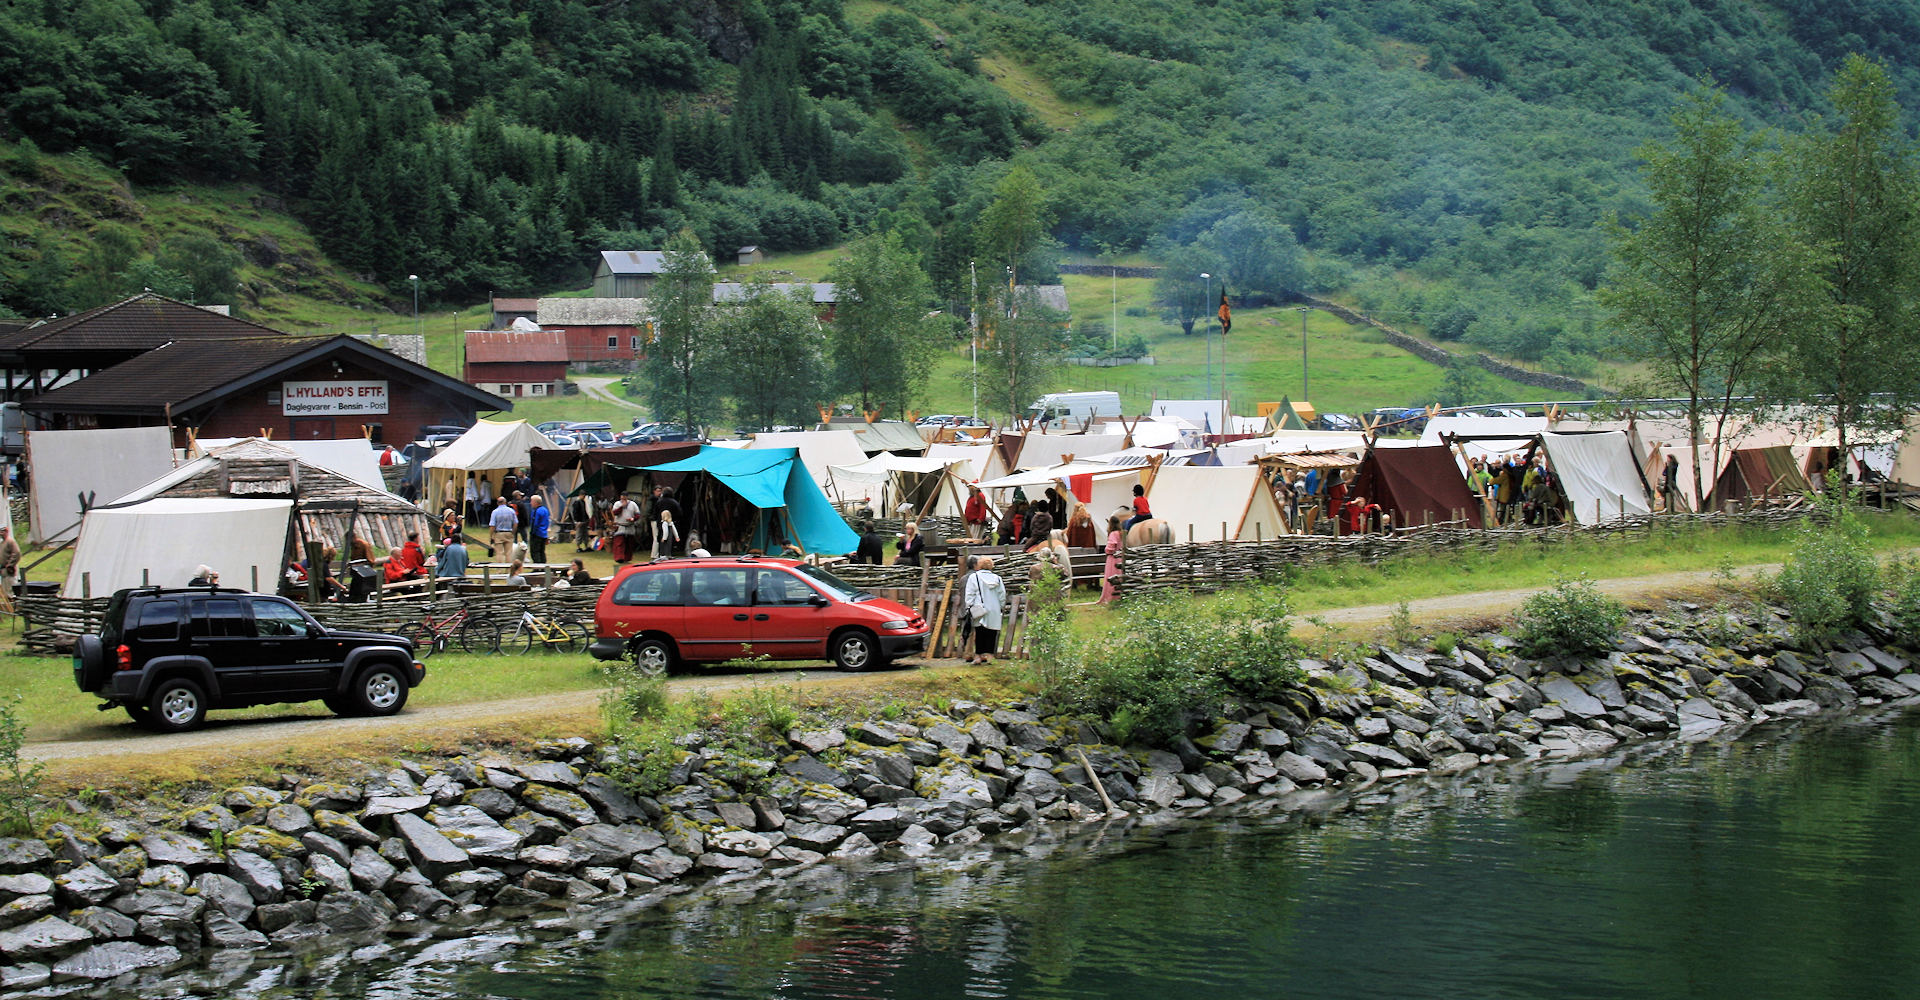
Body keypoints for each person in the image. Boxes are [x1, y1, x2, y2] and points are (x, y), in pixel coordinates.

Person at [962, 555, 1008, 665]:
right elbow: (1002, 595)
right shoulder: (997, 578)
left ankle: (978, 656)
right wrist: (1001, 606)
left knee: (980, 632)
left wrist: (969, 606)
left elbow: (970, 594)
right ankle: (990, 656)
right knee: (992, 632)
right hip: (994, 608)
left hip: (979, 608)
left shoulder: (974, 577)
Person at [651, 485, 685, 558]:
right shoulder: (674, 502)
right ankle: (668, 554)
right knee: (670, 540)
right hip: (671, 522)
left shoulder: (659, 502)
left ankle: (661, 554)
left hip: (660, 523)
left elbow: (655, 513)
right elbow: (680, 513)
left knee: (661, 539)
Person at [1100, 514, 1124, 605]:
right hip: (1120, 558)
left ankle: (1111, 596)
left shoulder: (1113, 534)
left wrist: (1106, 550)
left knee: (1111, 576)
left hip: (1113, 558)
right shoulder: (1121, 533)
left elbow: (1111, 546)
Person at [530, 496, 551, 564]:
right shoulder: (545, 509)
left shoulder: (536, 511)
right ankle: (543, 566)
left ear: (536, 502)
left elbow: (535, 523)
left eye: (531, 501)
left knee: (535, 552)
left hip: (537, 534)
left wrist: (532, 533)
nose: (530, 503)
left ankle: (537, 567)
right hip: (543, 534)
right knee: (542, 551)